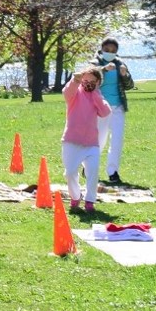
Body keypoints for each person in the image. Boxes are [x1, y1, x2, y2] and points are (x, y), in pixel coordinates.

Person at [59, 65, 112, 214]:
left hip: (91, 144)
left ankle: (90, 201)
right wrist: (74, 81)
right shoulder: (75, 94)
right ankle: (76, 196)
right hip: (71, 141)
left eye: (92, 81)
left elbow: (105, 111)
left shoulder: (97, 97)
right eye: (85, 79)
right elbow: (66, 93)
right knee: (69, 173)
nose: (88, 83)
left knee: (92, 172)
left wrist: (95, 92)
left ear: (98, 83)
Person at [94, 38, 134, 184]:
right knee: (99, 140)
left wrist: (125, 75)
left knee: (116, 140)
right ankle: (90, 168)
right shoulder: (96, 63)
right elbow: (89, 77)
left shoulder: (120, 64)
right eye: (107, 50)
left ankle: (113, 172)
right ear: (102, 49)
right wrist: (103, 69)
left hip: (118, 107)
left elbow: (130, 85)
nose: (110, 53)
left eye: (113, 51)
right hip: (101, 107)